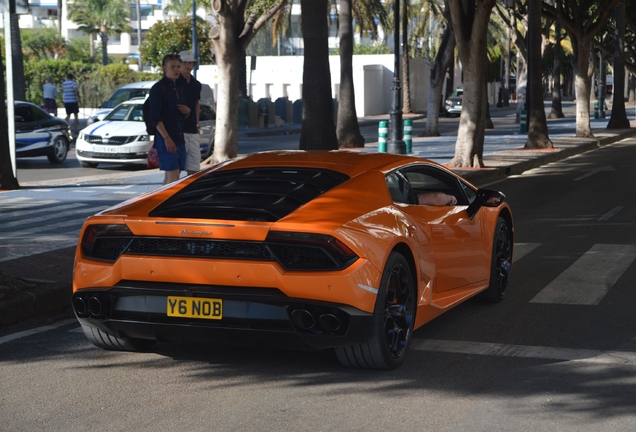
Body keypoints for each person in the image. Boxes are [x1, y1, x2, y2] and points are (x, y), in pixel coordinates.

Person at [149, 54, 191, 185]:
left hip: (178, 136)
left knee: (173, 175)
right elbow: (155, 117)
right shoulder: (158, 88)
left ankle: (160, 202)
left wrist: (188, 112)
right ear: (164, 69)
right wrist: (166, 138)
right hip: (166, 137)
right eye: (172, 67)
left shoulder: (178, 87)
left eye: (178, 66)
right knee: (173, 178)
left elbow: (181, 114)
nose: (176, 70)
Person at [178, 50, 203, 176]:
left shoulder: (196, 84)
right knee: (175, 169)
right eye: (184, 62)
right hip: (178, 130)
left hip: (192, 130)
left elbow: (196, 104)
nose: (187, 65)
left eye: (190, 63)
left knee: (194, 168)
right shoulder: (174, 83)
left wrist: (196, 123)